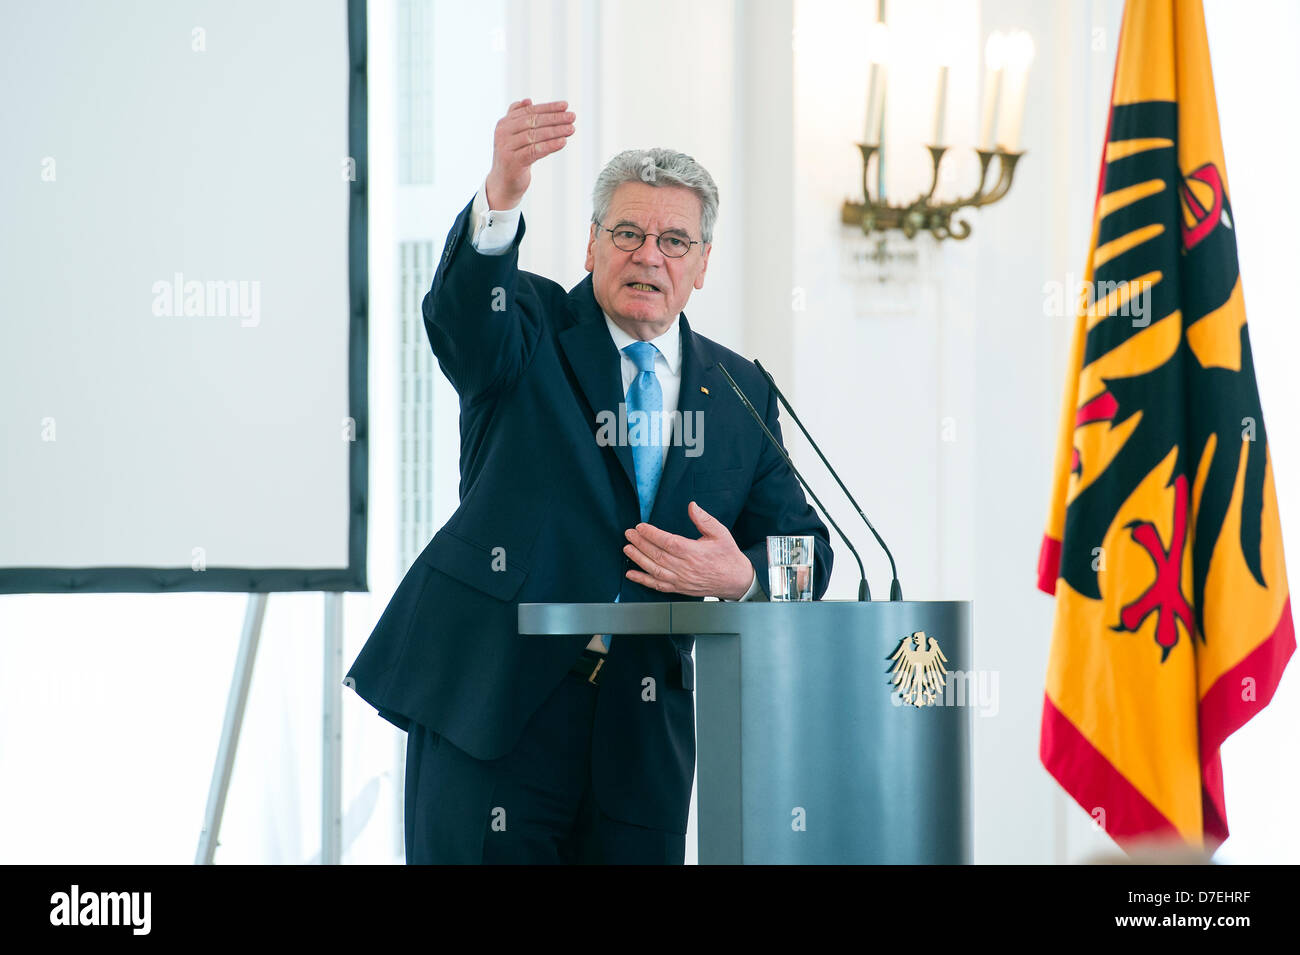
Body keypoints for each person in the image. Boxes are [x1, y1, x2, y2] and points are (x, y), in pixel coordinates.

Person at [345, 97, 833, 864]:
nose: (650, 256)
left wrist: (744, 576)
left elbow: (807, 553)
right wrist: (500, 195)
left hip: (641, 738)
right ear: (590, 246)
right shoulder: (530, 325)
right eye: (629, 233)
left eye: (675, 240)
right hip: (495, 707)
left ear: (703, 265)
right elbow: (462, 319)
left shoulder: (740, 390)